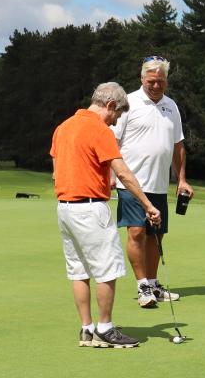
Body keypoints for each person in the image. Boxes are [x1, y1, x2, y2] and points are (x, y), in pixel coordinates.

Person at [50, 82, 161, 348]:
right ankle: (106, 329)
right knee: (107, 269)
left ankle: (87, 330)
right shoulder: (99, 129)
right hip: (91, 208)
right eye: (117, 115)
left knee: (78, 271)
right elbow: (122, 172)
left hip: (65, 208)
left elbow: (58, 171)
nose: (115, 122)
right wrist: (148, 205)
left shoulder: (62, 127)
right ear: (110, 105)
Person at [112, 55, 193, 308]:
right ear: (142, 79)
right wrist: (111, 175)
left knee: (155, 236)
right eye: (151, 81)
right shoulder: (129, 103)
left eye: (160, 81)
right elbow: (112, 142)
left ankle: (154, 283)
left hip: (159, 183)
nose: (156, 86)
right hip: (131, 182)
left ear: (166, 81)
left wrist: (181, 179)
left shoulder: (172, 106)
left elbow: (178, 145)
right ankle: (142, 287)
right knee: (136, 231)